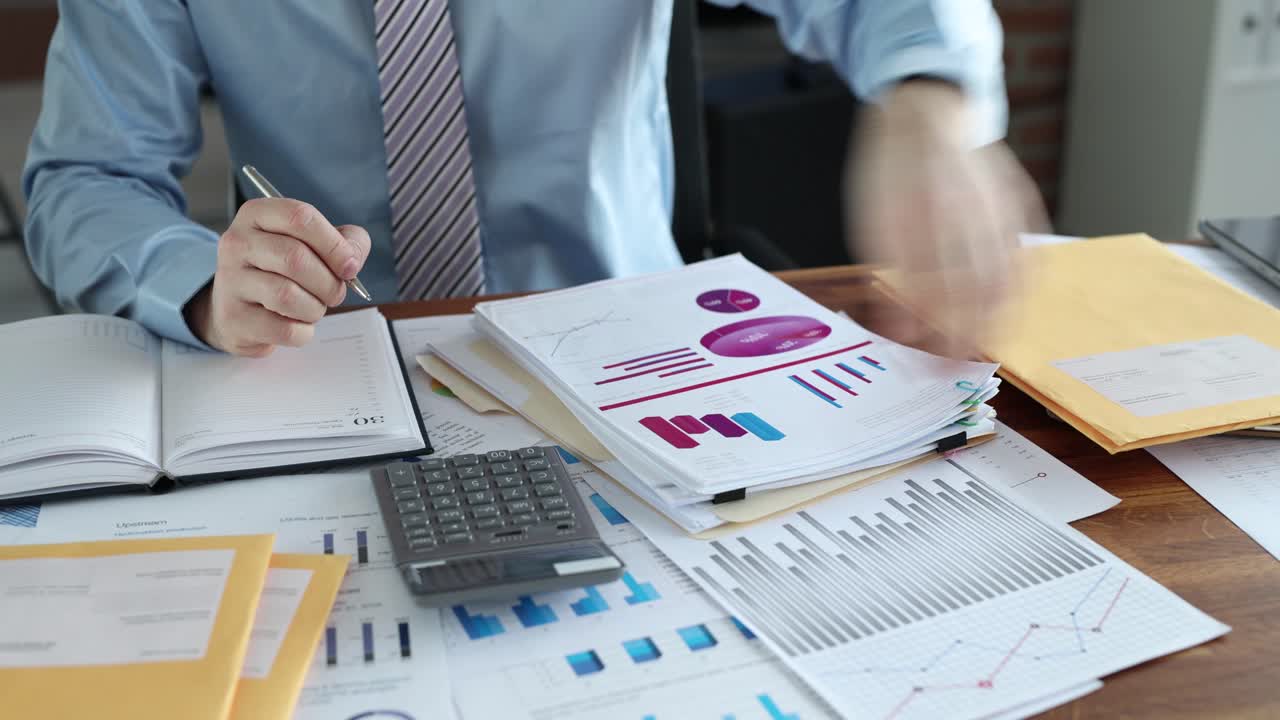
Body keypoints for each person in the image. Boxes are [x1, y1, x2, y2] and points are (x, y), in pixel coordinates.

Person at [23, 0, 1041, 358]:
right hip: (326, 360)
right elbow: (84, 176)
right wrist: (200, 286)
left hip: (631, 340)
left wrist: (925, 100)